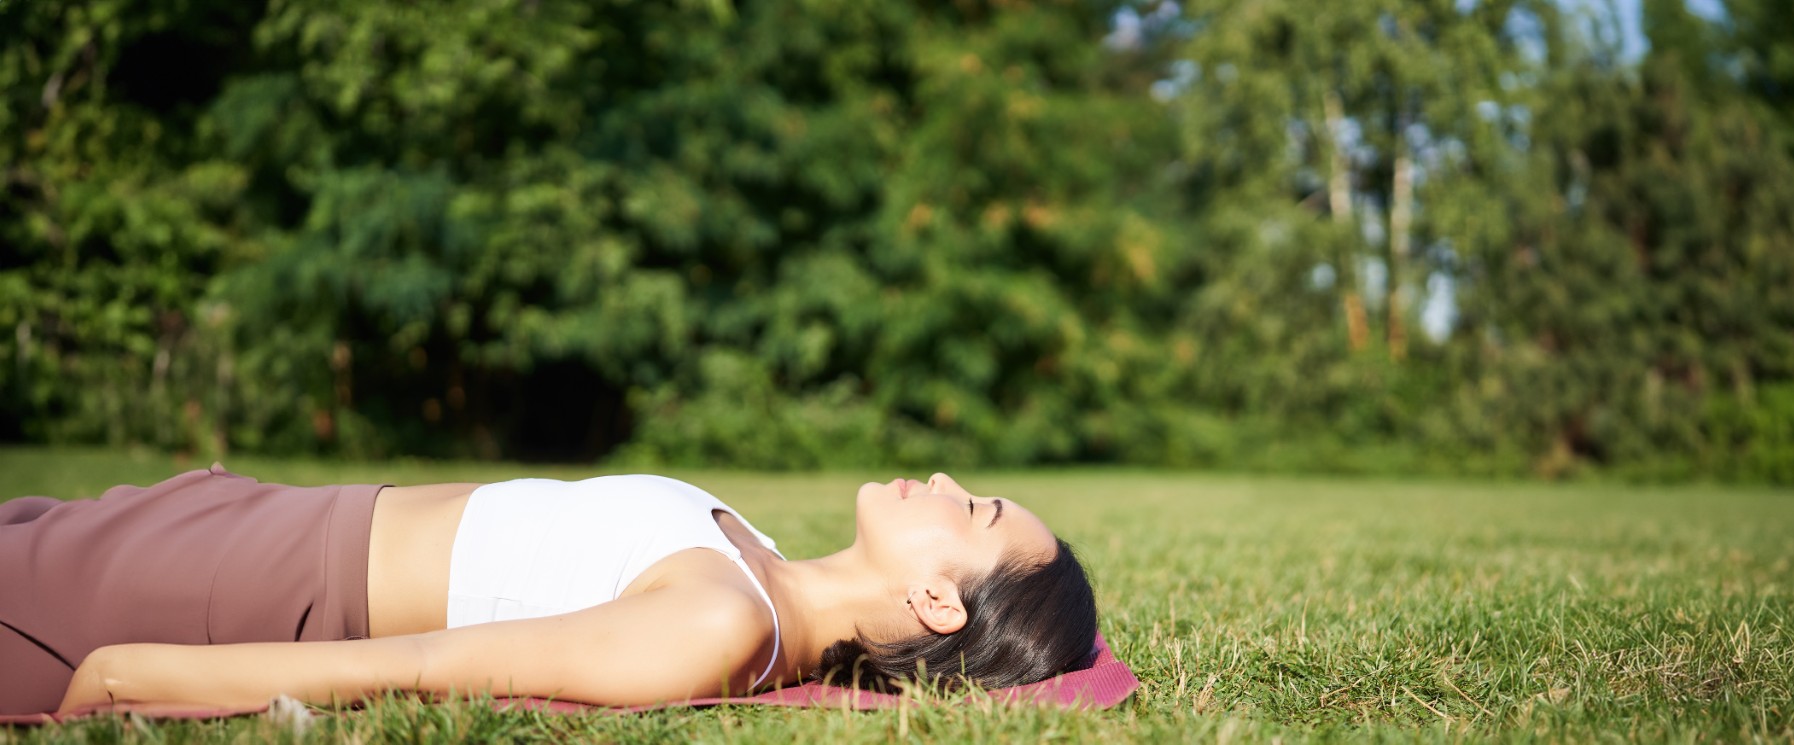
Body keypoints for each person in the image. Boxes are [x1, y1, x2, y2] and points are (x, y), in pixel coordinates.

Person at [0, 467, 1097, 716]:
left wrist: (127, 677)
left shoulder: (717, 622)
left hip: (243, 582)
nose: (952, 483)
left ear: (938, 605)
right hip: (263, 523)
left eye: (977, 513)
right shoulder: (753, 553)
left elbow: (419, 669)